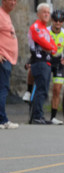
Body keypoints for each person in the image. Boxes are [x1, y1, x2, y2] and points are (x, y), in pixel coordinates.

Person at [28, 3, 57, 124]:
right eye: (44, 12)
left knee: (43, 89)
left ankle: (39, 115)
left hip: (46, 62)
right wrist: (50, 48)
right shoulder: (36, 27)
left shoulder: (45, 29)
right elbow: (43, 43)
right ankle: (36, 116)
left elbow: (53, 47)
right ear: (38, 14)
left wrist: (50, 48)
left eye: (48, 12)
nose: (46, 14)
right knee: (41, 89)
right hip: (39, 62)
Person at [0, 0, 18, 129]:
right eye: (11, 0)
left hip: (8, 58)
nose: (13, 2)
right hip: (3, 58)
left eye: (15, 0)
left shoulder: (6, 15)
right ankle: (2, 120)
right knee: (3, 89)